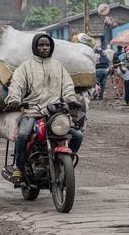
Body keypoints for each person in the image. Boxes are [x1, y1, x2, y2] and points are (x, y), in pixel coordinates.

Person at [5, 33, 82, 183]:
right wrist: (14, 99)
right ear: (35, 47)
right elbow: (16, 85)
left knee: (77, 135)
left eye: (47, 45)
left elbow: (67, 86)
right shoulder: (25, 67)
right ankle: (19, 168)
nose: (45, 47)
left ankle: (63, 163)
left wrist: (71, 100)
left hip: (54, 113)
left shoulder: (58, 67)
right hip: (31, 112)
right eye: (41, 45)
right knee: (22, 135)